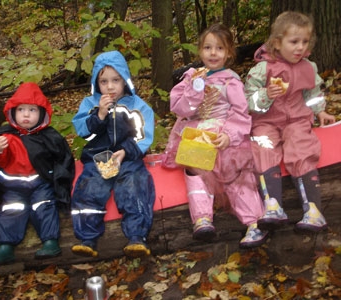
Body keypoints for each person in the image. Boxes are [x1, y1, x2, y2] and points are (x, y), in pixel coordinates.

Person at [163, 23, 267, 248]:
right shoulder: (190, 77)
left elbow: (240, 112)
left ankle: (254, 223)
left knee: (236, 172)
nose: (213, 53)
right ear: (200, 50)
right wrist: (195, 89)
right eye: (208, 47)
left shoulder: (231, 80)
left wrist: (230, 135)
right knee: (194, 169)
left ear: (229, 52)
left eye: (219, 48)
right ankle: (202, 219)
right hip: (198, 133)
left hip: (223, 136)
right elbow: (180, 109)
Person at [244, 11, 335, 233]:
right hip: (266, 120)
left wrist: (320, 111)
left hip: (296, 119)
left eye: (305, 42)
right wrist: (266, 94)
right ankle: (273, 206)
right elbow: (248, 102)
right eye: (294, 42)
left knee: (300, 146)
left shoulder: (308, 68)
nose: (300, 48)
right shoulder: (262, 69)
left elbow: (312, 93)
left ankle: (313, 210)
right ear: (277, 42)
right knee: (262, 146)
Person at [0, 82, 75, 265]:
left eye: (32, 110)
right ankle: (5, 247)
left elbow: (63, 158)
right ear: (13, 112)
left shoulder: (48, 136)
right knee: (11, 210)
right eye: (21, 109)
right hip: (13, 187)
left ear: (42, 113)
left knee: (44, 206)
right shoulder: (7, 136)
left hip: (40, 184)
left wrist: (59, 181)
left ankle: (50, 242)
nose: (26, 114)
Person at [70, 50, 155, 258]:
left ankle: (136, 237)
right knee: (90, 187)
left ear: (125, 80)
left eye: (115, 80)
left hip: (128, 158)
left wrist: (126, 152)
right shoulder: (90, 105)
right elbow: (83, 132)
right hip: (98, 159)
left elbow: (144, 136)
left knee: (134, 184)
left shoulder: (136, 106)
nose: (110, 86)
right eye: (104, 81)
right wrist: (99, 115)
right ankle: (87, 238)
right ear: (96, 84)